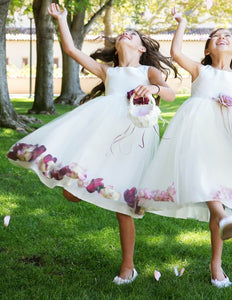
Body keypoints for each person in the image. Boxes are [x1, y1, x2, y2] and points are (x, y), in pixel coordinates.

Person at [6, 3, 177, 285]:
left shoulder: (148, 72)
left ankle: (128, 266)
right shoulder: (108, 72)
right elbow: (72, 52)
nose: (124, 35)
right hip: (103, 135)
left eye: (131, 34)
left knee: (123, 205)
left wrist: (155, 89)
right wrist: (61, 18)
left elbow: (171, 93)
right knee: (71, 193)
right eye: (122, 33)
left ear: (142, 48)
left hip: (135, 139)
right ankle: (93, 186)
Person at [134, 9, 232, 288]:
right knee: (204, 178)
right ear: (208, 48)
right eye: (215, 37)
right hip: (196, 130)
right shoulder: (200, 69)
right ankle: (221, 218)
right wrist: (182, 24)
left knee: (217, 189)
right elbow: (176, 52)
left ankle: (216, 260)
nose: (221, 38)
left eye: (227, 37)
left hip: (228, 134)